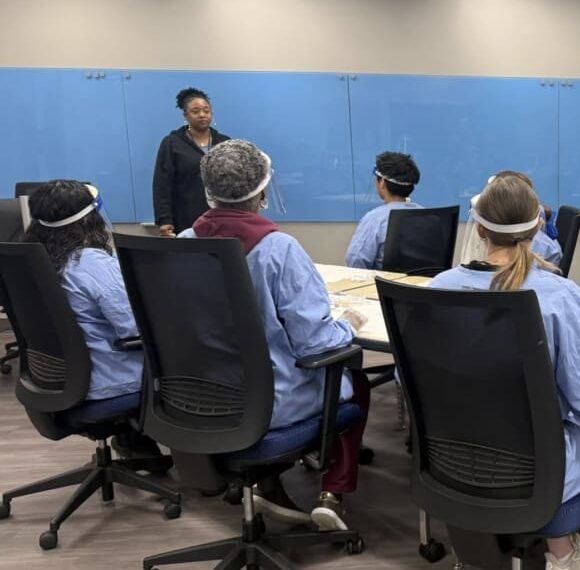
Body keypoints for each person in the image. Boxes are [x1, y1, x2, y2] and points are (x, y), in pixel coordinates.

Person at [430, 175, 580, 570]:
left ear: (480, 227)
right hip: (536, 475)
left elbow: (415, 385)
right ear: (538, 227)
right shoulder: (557, 295)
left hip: (451, 463)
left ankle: (557, 547)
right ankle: (570, 548)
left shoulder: (438, 288)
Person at [183, 139, 370, 531]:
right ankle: (332, 492)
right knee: (354, 377)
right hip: (269, 402)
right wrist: (347, 325)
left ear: (207, 190)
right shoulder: (278, 249)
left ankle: (269, 482)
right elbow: (315, 342)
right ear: (263, 192)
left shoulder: (183, 244)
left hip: (201, 394)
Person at [24, 180, 165, 466]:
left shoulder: (33, 261)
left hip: (57, 379)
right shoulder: (92, 263)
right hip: (105, 381)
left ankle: (137, 445)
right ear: (90, 219)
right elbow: (136, 329)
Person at [152, 87, 231, 236]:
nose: (202, 115)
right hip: (186, 219)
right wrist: (164, 219)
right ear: (185, 115)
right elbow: (162, 184)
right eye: (195, 111)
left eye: (206, 110)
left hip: (221, 219)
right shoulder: (172, 143)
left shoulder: (225, 142)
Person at [345, 151, 423, 269]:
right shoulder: (428, 216)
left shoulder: (375, 219)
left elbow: (355, 262)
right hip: (424, 286)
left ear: (382, 183)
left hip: (383, 287)